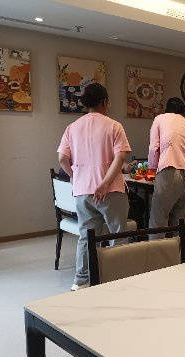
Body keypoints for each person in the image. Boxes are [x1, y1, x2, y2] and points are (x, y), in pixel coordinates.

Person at [57, 83, 131, 291]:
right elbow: (120, 157)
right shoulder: (114, 126)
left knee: (87, 237)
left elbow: (62, 158)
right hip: (111, 191)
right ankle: (116, 280)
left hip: (83, 192)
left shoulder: (72, 127)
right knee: (117, 235)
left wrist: (75, 177)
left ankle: (80, 281)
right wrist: (105, 183)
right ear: (105, 102)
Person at [148, 97, 185, 235]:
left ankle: (158, 250)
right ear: (184, 112)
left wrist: (152, 170)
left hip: (168, 171)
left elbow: (154, 148)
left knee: (158, 221)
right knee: (181, 224)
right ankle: (178, 249)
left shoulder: (160, 119)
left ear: (167, 110)